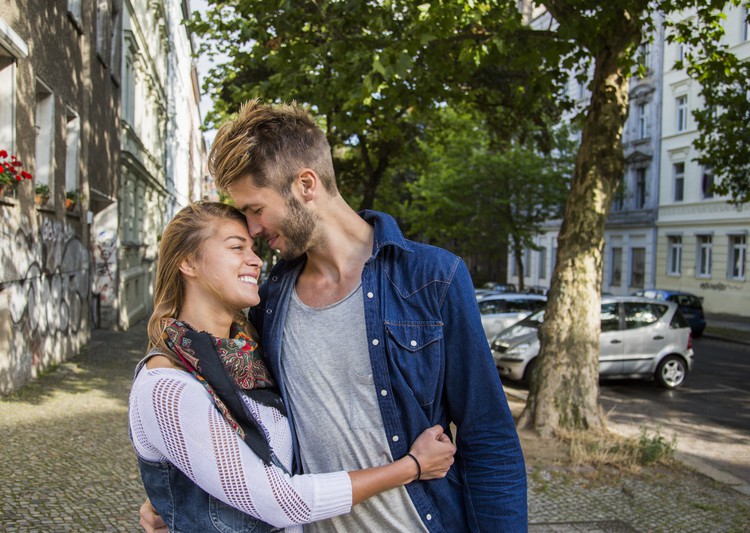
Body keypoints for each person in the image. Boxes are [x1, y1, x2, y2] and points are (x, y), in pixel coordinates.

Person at [142, 100, 528, 532]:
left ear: (306, 184)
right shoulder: (270, 300)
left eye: (255, 209)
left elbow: (490, 440)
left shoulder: (432, 279)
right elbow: (237, 421)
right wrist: (181, 491)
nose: (251, 230)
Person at [129, 201, 456, 532]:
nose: (255, 261)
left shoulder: (251, 358)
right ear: (188, 262)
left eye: (254, 248)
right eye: (236, 247)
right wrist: (413, 466)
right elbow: (281, 501)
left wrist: (174, 500)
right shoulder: (167, 385)